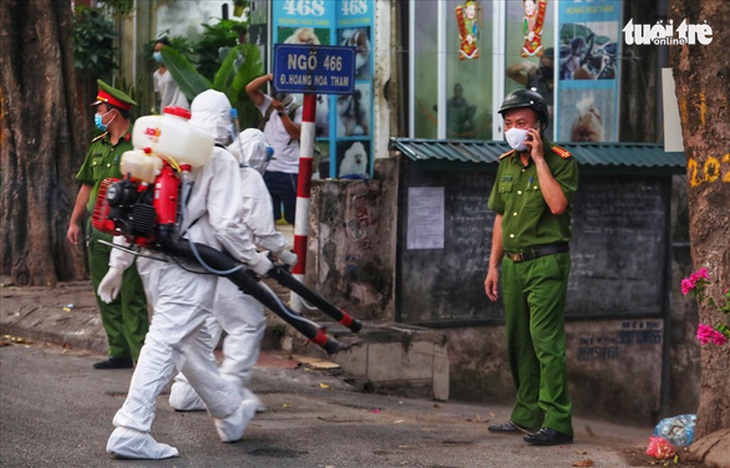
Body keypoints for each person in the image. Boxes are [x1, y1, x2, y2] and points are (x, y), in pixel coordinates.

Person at [100, 90, 271, 459]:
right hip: (190, 268)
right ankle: (131, 427)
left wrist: (118, 265)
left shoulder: (162, 147)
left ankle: (229, 414)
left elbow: (130, 203)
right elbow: (226, 225)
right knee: (165, 341)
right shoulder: (218, 157)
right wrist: (254, 261)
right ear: (227, 118)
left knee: (190, 346)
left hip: (151, 261)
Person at [168, 128, 298, 413]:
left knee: (205, 328)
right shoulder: (249, 178)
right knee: (247, 324)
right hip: (233, 267)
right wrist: (284, 252)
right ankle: (229, 390)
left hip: (200, 265)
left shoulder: (209, 169)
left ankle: (185, 389)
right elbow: (262, 232)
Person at [483, 88, 578, 446]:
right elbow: (500, 217)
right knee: (519, 342)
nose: (514, 129)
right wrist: (493, 265)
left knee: (546, 343)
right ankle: (526, 416)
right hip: (512, 264)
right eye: (508, 123)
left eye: (521, 123)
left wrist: (539, 160)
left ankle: (558, 421)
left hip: (547, 263)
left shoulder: (561, 160)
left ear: (539, 124)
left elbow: (557, 206)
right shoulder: (506, 163)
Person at [66, 79, 148, 370]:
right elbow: (87, 186)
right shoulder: (98, 147)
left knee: (131, 291)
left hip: (127, 230)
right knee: (103, 288)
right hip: (97, 228)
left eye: (101, 109)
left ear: (113, 112)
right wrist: (75, 221)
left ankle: (142, 356)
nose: (98, 115)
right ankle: (119, 351)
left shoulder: (139, 146)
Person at [246, 73, 303, 225]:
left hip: (289, 171)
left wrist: (282, 112)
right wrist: (268, 77)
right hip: (268, 169)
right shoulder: (268, 104)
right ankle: (271, 246)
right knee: (268, 217)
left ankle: (297, 247)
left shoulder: (298, 109)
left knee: (295, 218)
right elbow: (250, 89)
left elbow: (295, 132)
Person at [506, 47, 555, 136]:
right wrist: (524, 65)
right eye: (542, 64)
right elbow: (510, 72)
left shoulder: (562, 84)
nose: (544, 67)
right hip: (536, 129)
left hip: (556, 131)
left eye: (547, 65)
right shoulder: (535, 79)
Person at [153, 37, 189, 111]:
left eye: (162, 51)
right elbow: (159, 93)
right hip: (165, 109)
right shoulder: (156, 75)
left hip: (179, 108)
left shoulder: (177, 70)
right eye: (156, 51)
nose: (159, 53)